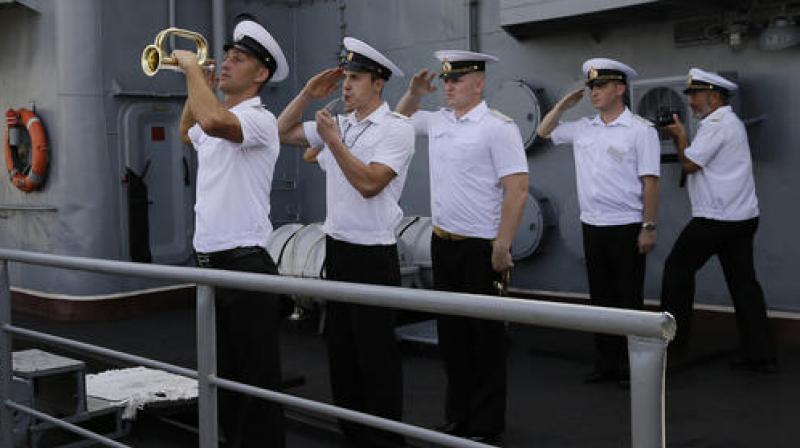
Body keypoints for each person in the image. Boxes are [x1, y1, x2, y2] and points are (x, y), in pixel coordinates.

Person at [277, 37, 414, 447]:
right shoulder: (345, 125)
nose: (346, 85)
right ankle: (353, 434)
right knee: (342, 355)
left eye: (355, 78)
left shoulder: (396, 129)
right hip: (337, 250)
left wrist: (332, 142)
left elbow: (370, 183)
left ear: (378, 83)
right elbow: (282, 132)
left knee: (376, 358)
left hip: (373, 255)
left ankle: (386, 441)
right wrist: (305, 94)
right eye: (345, 78)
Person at [396, 50, 529, 445]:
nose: (448, 86)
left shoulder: (497, 128)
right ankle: (458, 415)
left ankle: (486, 424)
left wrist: (502, 246)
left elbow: (517, 189)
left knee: (484, 338)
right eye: (446, 80)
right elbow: (398, 121)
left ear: (478, 83)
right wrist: (414, 93)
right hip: (443, 243)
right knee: (452, 338)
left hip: (480, 247)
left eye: (457, 80)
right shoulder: (437, 121)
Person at [176, 16, 288, 448]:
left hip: (245, 265)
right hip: (211, 267)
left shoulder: (259, 120)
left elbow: (216, 123)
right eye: (225, 57)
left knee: (255, 386)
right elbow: (188, 132)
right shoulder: (216, 116)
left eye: (237, 60)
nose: (224, 64)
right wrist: (196, 83)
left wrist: (190, 72)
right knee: (222, 380)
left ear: (260, 74)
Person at [535, 58, 660, 385]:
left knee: (628, 300)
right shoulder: (583, 128)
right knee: (601, 297)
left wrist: (648, 226)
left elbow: (650, 182)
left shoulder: (640, 131)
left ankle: (635, 369)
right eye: (591, 87)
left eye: (601, 86)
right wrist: (562, 105)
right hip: (593, 225)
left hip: (627, 224)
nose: (594, 92)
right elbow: (543, 130)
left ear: (620, 89)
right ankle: (607, 363)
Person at [660, 68, 777, 372]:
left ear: (713, 97)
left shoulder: (715, 125)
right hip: (742, 217)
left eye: (695, 95)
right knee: (744, 285)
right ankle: (760, 353)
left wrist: (680, 137)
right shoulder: (731, 122)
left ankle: (673, 345)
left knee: (677, 271)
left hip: (716, 219)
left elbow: (688, 165)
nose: (690, 102)